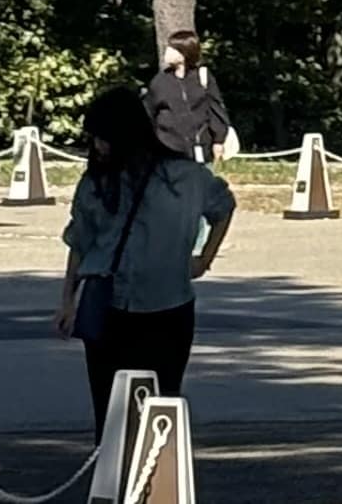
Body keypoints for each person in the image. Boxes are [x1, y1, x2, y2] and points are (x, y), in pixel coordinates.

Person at [56, 86, 236, 424]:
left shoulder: (181, 176)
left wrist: (204, 260)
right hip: (137, 302)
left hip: (147, 305)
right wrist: (68, 300)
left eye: (102, 137)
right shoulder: (179, 177)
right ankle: (124, 459)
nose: (97, 146)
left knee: (124, 407)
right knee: (143, 408)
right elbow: (79, 242)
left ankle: (125, 458)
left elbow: (80, 243)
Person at [145, 29, 231, 162]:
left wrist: (218, 140)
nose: (167, 52)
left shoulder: (203, 77)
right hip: (168, 151)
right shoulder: (159, 81)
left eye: (172, 48)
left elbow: (215, 111)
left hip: (201, 148)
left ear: (183, 54)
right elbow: (148, 113)